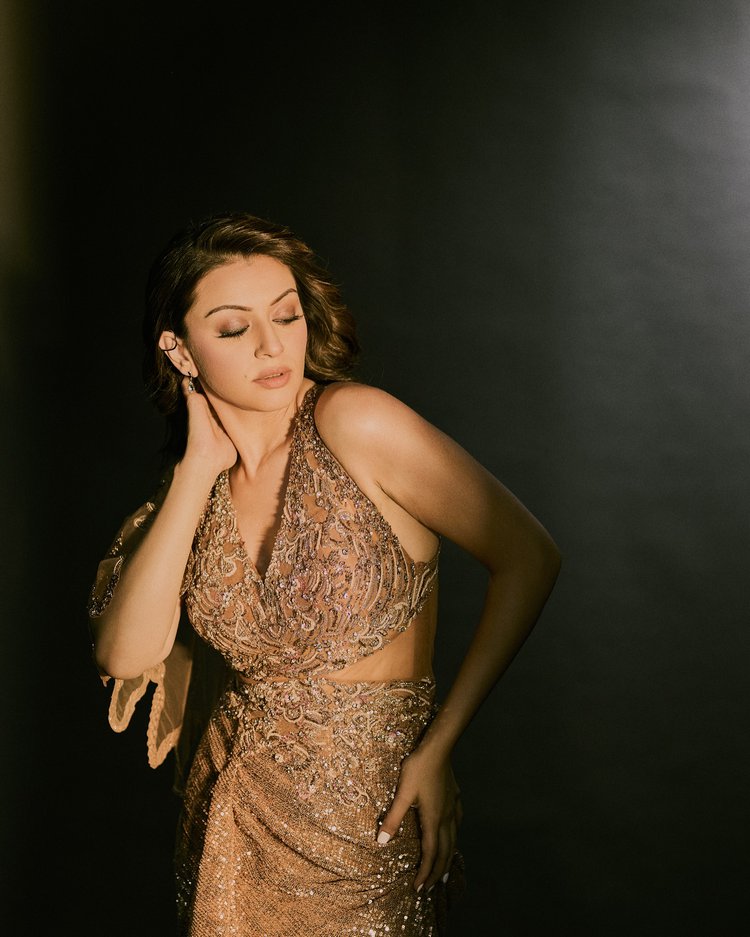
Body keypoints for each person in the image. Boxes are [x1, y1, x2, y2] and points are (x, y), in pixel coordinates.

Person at [88, 211, 561, 936]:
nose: (272, 345)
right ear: (180, 350)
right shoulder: (194, 495)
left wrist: (439, 745)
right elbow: (124, 655)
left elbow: (529, 556)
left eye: (286, 315)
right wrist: (196, 469)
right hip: (230, 823)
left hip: (367, 820)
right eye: (234, 328)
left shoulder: (355, 422)